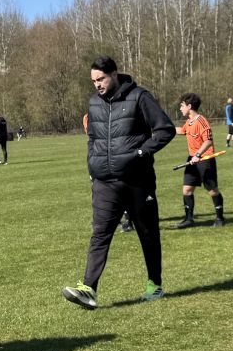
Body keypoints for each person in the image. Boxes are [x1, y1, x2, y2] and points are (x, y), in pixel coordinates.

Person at [62, 57, 175, 308]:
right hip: (104, 183)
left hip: (138, 181)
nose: (97, 85)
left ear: (114, 74)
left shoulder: (139, 97)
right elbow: (93, 139)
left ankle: (154, 285)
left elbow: (165, 129)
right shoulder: (94, 103)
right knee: (100, 234)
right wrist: (92, 167)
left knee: (147, 233)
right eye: (94, 81)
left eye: (101, 79)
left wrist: (141, 153)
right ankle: (88, 289)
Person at [174, 94, 224, 229]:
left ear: (189, 106)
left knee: (212, 190)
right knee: (187, 189)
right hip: (192, 159)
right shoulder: (189, 122)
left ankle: (220, 218)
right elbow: (182, 130)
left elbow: (208, 141)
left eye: (182, 106)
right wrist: (164, 128)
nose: (180, 108)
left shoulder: (202, 122)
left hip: (204, 159)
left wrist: (198, 155)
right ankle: (189, 219)